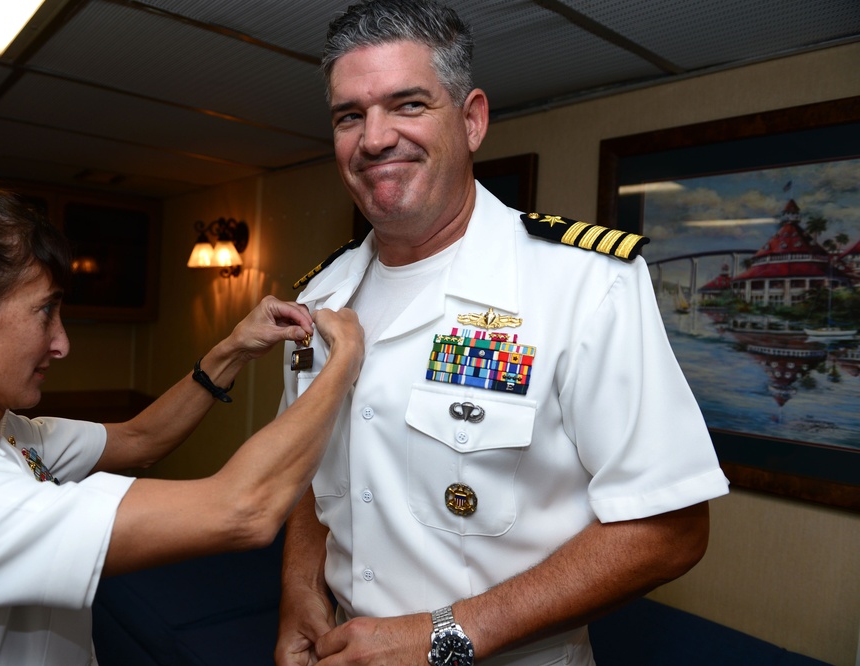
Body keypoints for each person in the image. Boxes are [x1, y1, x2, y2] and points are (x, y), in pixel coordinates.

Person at [276, 1, 730, 664]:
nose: (374, 139)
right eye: (350, 115)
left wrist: (444, 637)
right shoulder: (320, 297)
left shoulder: (583, 285)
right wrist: (298, 592)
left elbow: (670, 528)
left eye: (407, 105)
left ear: (472, 119)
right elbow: (306, 475)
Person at [0, 181, 364, 665]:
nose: (61, 343)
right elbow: (245, 509)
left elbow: (139, 439)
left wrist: (231, 350)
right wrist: (343, 362)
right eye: (44, 311)